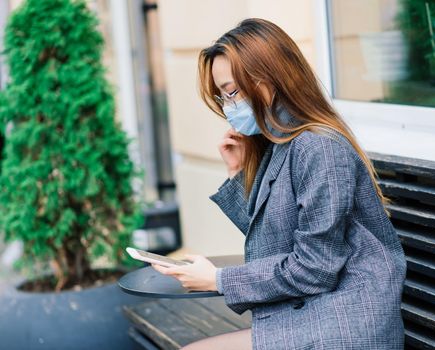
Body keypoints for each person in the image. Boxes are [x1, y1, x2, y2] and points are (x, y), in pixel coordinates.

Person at [151, 18, 406, 350]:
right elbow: (274, 239)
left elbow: (314, 268)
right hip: (316, 313)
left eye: (232, 92)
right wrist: (238, 173)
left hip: (344, 324)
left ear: (270, 79)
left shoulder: (319, 147)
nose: (229, 108)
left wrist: (217, 279)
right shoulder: (282, 143)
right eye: (223, 97)